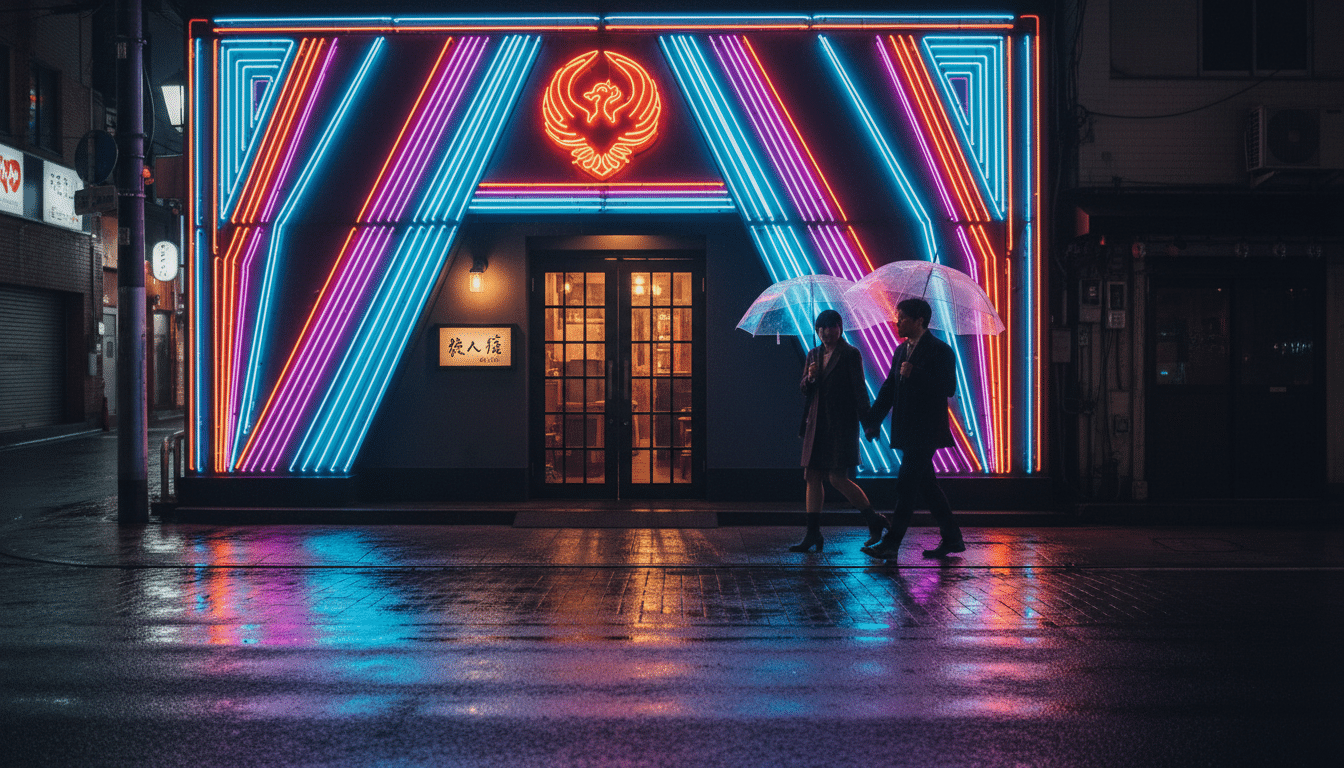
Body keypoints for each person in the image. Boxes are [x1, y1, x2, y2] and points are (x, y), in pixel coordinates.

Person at [861, 297, 965, 561]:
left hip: (927, 430)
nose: (898, 322)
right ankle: (952, 538)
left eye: (903, 317)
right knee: (927, 486)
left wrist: (916, 373)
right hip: (907, 429)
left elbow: (948, 388)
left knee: (906, 485)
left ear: (920, 320)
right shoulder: (900, 351)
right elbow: (889, 389)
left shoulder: (940, 350)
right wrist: (873, 421)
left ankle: (891, 543)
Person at [793, 309, 887, 553]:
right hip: (816, 424)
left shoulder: (850, 354)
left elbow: (859, 390)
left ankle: (873, 519)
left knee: (837, 478)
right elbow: (804, 388)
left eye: (831, 327)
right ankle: (812, 534)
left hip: (840, 424)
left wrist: (869, 422)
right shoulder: (813, 354)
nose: (826, 333)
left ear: (840, 327)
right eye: (821, 329)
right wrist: (810, 378)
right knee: (812, 476)